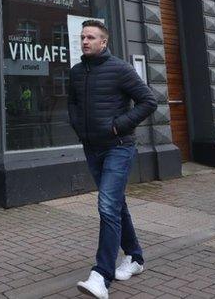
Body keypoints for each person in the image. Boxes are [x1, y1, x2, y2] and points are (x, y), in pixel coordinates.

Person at [69, 20, 158, 299]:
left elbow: (149, 101)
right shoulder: (75, 72)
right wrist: (79, 128)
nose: (85, 41)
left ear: (103, 42)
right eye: (82, 37)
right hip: (92, 148)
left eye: (91, 37)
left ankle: (101, 275)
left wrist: (119, 125)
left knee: (107, 205)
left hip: (119, 146)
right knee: (115, 204)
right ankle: (135, 257)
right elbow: (72, 103)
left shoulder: (120, 69)